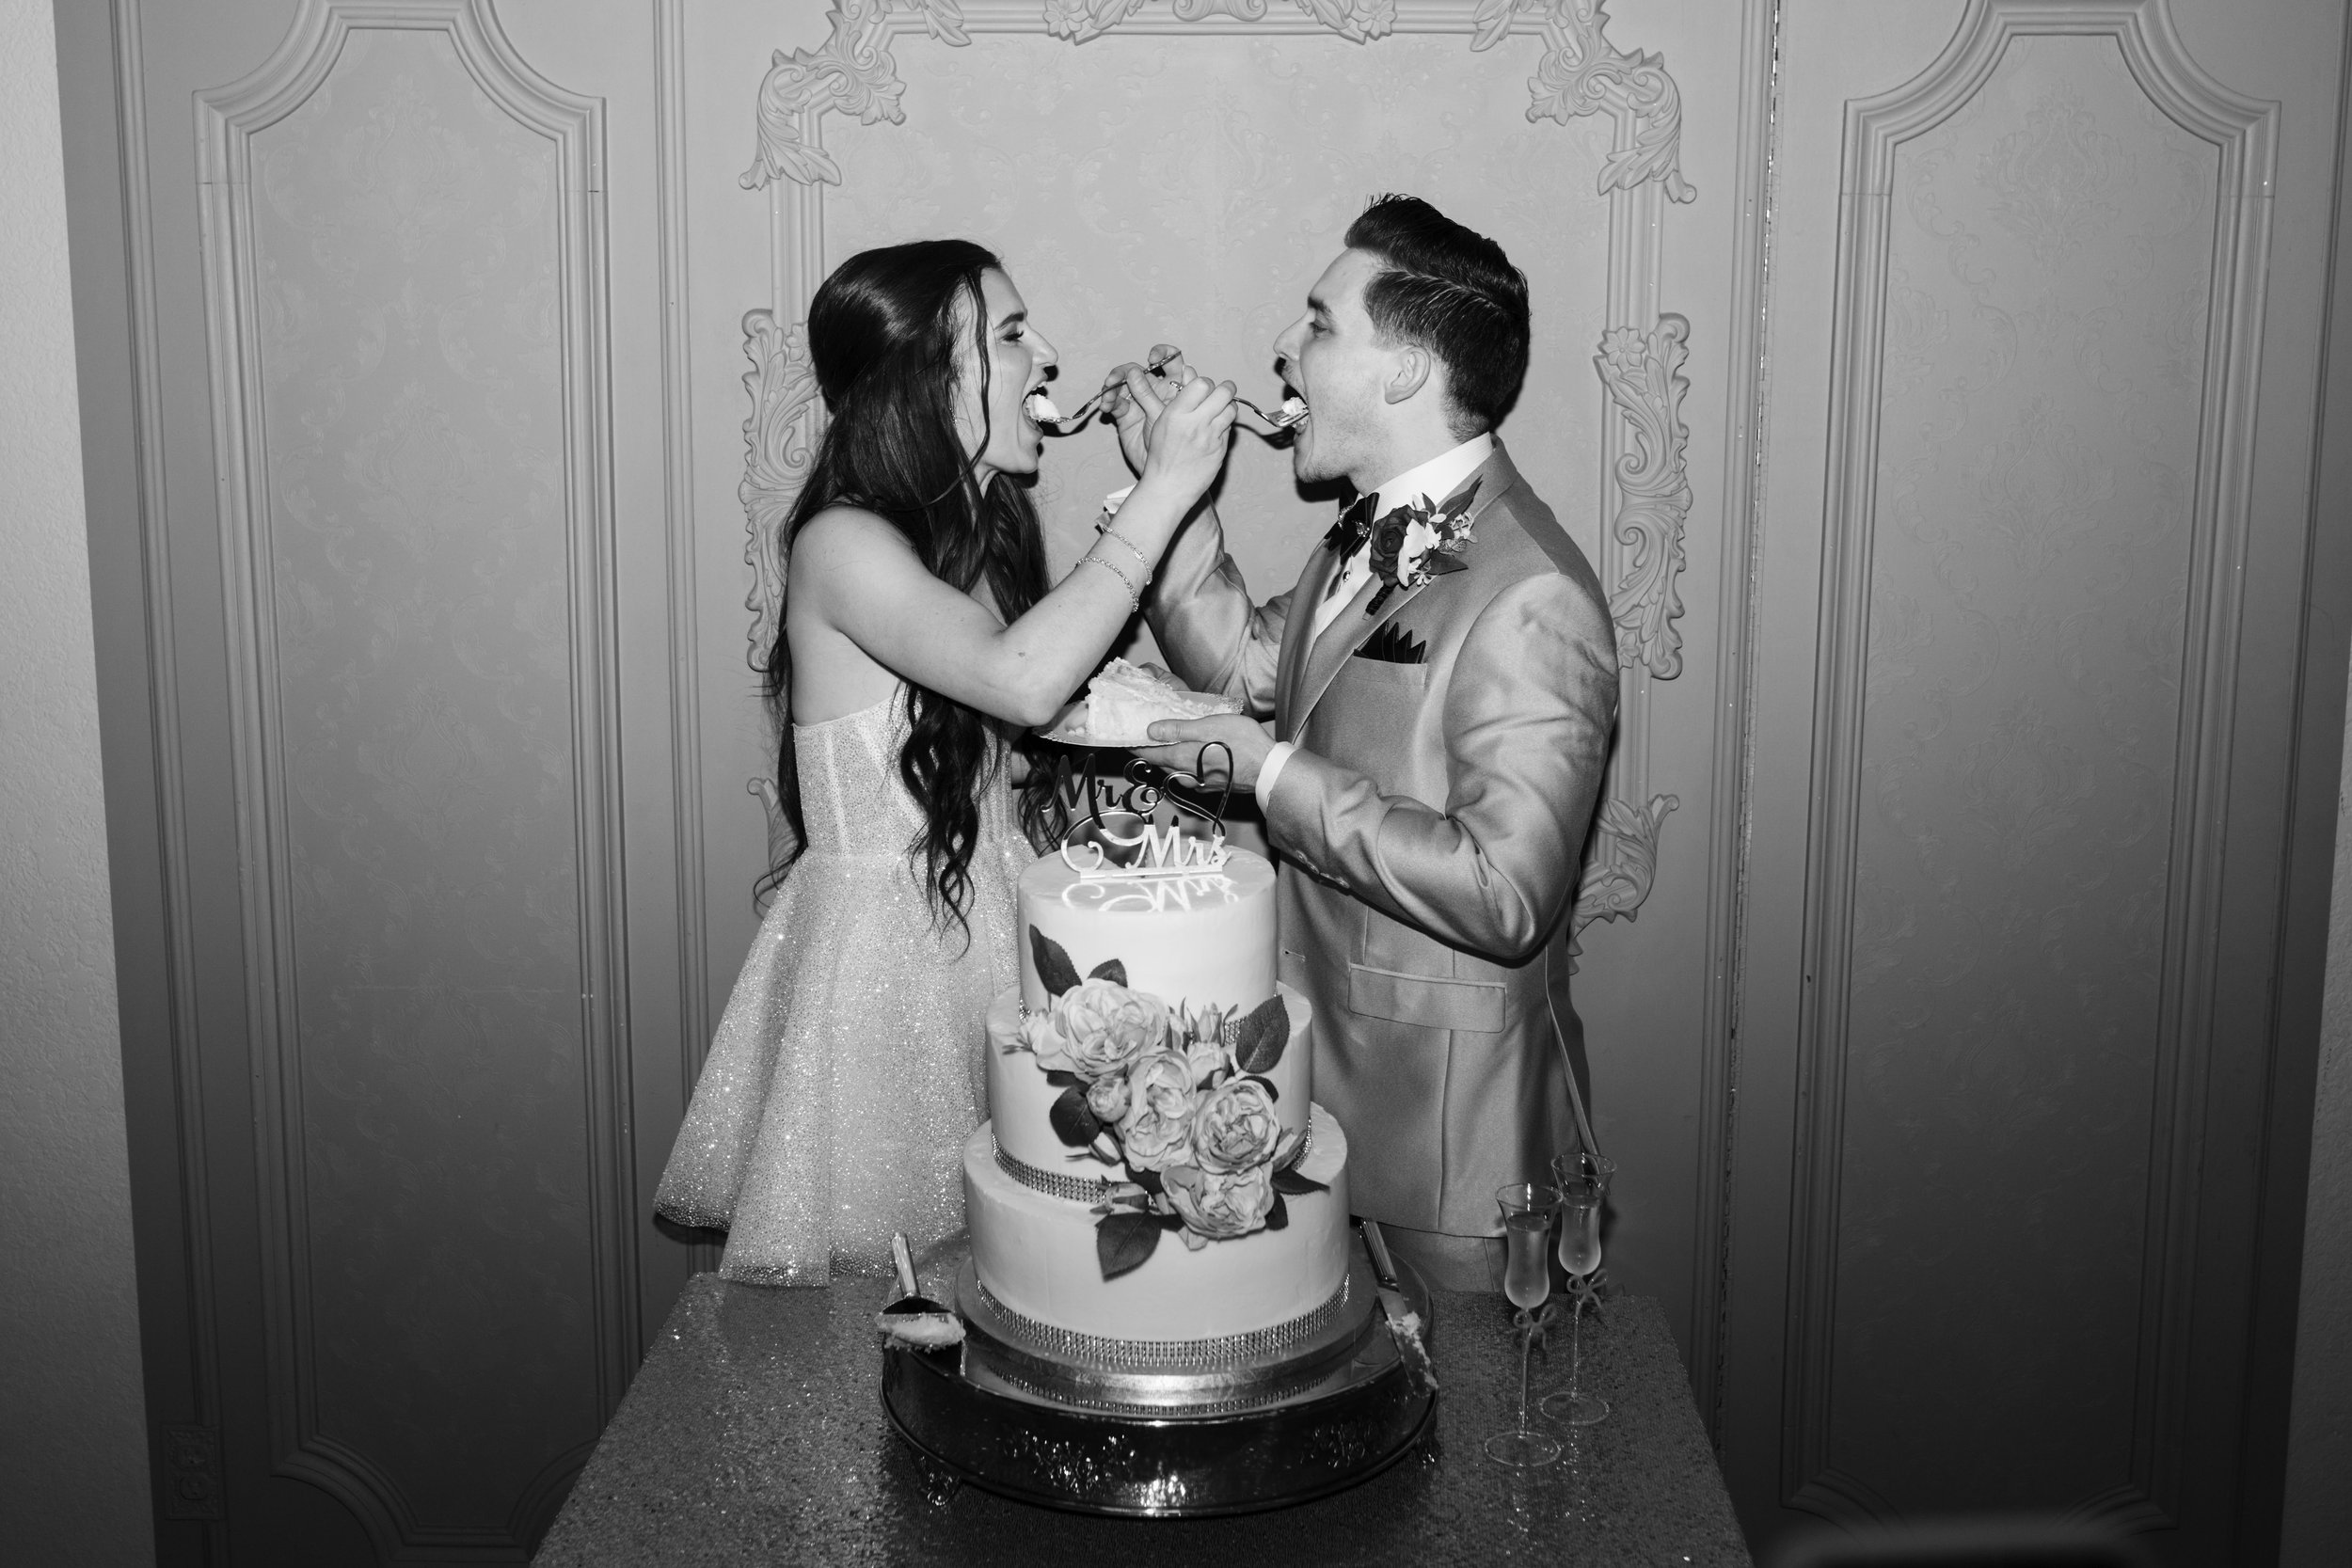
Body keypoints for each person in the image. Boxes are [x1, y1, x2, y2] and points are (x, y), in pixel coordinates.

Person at [657, 239, 1238, 1285]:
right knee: (896, 1313)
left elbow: (1033, 714)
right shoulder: (839, 542)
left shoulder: (972, 536)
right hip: (884, 975)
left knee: (1009, 1282)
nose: (1048, 353)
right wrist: (1165, 489)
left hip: (981, 924)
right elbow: (1020, 678)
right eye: (1012, 335)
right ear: (927, 375)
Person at [1117, 196, 1618, 1291]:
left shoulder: (1529, 593)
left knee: (1478, 1461)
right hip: (1310, 1113)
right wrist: (1169, 491)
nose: (1283, 349)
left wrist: (1277, 778)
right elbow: (1252, 665)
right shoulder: (1378, 528)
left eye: (1318, 322)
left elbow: (1504, 890)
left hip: (1455, 1163)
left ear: (1402, 372)